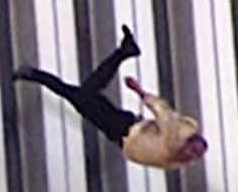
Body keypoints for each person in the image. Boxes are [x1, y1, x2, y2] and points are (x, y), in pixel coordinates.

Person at [12, 26, 208, 169]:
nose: (191, 156)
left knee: (84, 93)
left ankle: (124, 51)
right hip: (124, 128)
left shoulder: (178, 161)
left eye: (196, 156)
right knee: (78, 96)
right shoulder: (174, 136)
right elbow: (162, 112)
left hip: (122, 135)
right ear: (187, 142)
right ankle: (32, 74)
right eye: (193, 150)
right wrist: (139, 91)